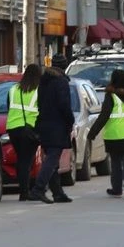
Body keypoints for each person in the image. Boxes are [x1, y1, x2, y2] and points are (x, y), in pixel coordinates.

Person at [89, 68, 124, 199]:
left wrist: (93, 132)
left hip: (115, 135)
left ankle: (117, 189)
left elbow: (104, 116)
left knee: (116, 162)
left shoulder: (111, 96)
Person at [27, 62, 73, 204]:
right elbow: (64, 105)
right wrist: (70, 120)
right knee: (52, 159)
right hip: (57, 125)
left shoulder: (44, 82)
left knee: (52, 160)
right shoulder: (61, 82)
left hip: (44, 124)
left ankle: (57, 193)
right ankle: (38, 189)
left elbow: (40, 104)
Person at [5, 64, 42, 201]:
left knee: (21, 159)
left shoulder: (13, 89)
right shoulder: (38, 90)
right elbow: (42, 110)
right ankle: (25, 192)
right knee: (26, 160)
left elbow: (9, 107)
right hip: (29, 128)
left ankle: (23, 189)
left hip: (13, 128)